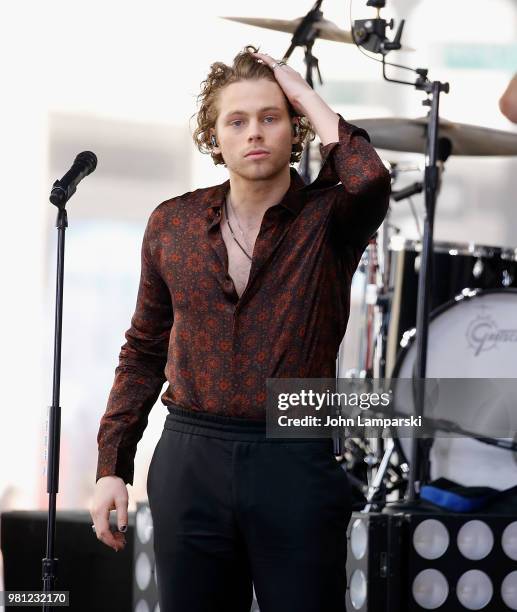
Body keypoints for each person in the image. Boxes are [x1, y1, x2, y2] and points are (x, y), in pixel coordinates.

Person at [89, 45, 390, 611]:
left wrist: (299, 90)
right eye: (238, 120)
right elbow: (143, 351)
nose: (255, 132)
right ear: (214, 136)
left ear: (295, 129)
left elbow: (369, 177)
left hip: (294, 456)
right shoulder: (171, 223)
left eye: (271, 117)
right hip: (190, 455)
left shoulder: (329, 218)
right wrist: (112, 466)